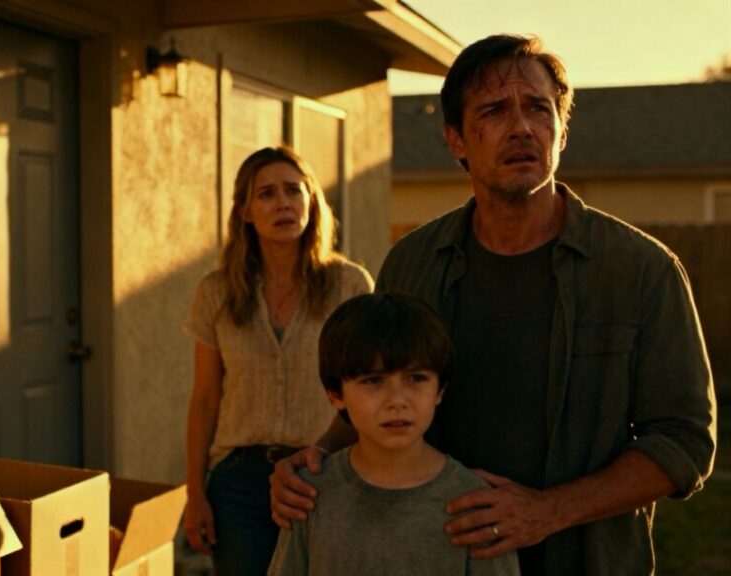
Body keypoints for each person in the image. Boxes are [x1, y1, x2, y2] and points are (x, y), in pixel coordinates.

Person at [269, 34, 716, 576]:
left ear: (562, 129)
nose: (522, 127)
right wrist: (313, 462)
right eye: (495, 111)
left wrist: (548, 511)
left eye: (538, 108)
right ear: (456, 139)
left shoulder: (641, 270)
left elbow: (685, 440)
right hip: (434, 554)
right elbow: (380, 389)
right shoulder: (413, 263)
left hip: (583, 560)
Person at [183, 145, 374, 575]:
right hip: (238, 484)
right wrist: (195, 495)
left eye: (294, 190)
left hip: (325, 472)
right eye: (266, 193)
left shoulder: (349, 285)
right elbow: (205, 401)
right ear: (246, 211)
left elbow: (366, 389)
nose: (283, 202)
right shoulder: (216, 292)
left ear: (311, 201)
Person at [267, 292, 520, 575]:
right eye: (373, 380)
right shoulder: (309, 495)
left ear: (440, 390)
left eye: (416, 378)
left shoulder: (475, 504)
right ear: (336, 394)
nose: (397, 400)